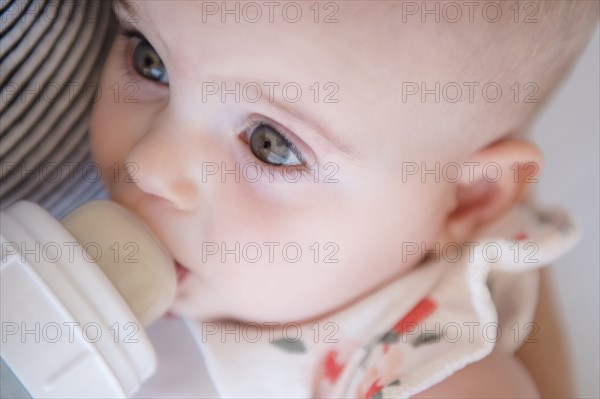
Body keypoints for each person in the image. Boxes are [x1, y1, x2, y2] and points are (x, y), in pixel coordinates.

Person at [87, 1, 598, 397]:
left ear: (466, 199)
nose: (146, 165)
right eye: (148, 60)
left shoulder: (429, 377)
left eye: (271, 145)